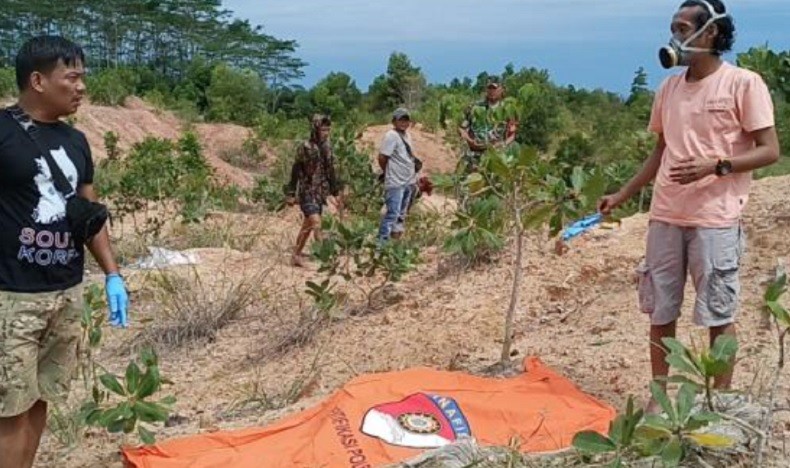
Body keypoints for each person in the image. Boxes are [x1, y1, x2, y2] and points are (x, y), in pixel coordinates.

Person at [597, 0, 779, 412]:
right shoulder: (669, 89)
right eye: (674, 28)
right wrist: (622, 195)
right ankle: (660, 401)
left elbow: (770, 151)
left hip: (715, 219)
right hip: (665, 216)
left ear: (710, 33)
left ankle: (720, 403)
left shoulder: (744, 83)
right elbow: (661, 151)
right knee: (661, 310)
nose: (676, 36)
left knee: (717, 312)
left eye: (684, 28)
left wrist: (717, 165)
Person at [0, 36, 129, 468]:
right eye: (71, 77)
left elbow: (88, 215)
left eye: (82, 77)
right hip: (11, 296)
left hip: (65, 292)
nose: (81, 87)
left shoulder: (77, 142)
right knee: (8, 409)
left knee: (40, 400)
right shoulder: (2, 133)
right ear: (37, 80)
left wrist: (112, 274)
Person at [284, 114, 342, 267]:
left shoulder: (327, 147)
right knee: (316, 222)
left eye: (328, 129)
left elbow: (331, 171)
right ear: (315, 129)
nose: (326, 132)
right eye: (323, 129)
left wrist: (335, 192)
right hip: (306, 191)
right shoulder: (305, 147)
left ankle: (296, 255)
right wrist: (291, 193)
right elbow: (295, 170)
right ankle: (326, 259)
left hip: (320, 192)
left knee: (308, 225)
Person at [458, 75, 517, 172]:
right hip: (474, 155)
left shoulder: (507, 110)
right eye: (489, 88)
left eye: (494, 88)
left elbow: (512, 135)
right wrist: (469, 140)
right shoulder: (474, 107)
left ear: (502, 89)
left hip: (496, 156)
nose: (491, 91)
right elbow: (461, 128)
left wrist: (502, 145)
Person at [377, 108, 420, 243]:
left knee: (401, 214)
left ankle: (395, 243)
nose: (404, 123)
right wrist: (387, 172)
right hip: (396, 182)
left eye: (406, 120)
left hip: (408, 181)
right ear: (394, 121)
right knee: (392, 214)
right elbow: (382, 157)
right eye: (401, 119)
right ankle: (381, 244)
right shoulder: (391, 135)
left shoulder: (407, 135)